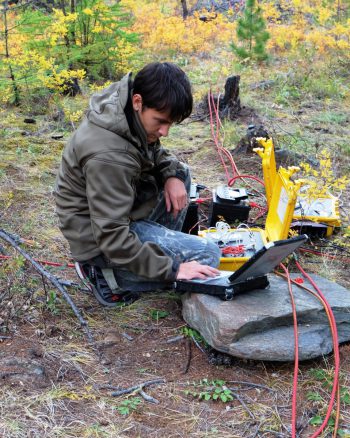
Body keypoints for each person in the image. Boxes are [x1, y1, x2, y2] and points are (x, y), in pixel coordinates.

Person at [54, 62, 221, 307]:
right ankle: (109, 276)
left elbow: (153, 154)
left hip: (115, 216)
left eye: (171, 124)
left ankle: (152, 250)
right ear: (138, 101)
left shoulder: (126, 114)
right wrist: (174, 268)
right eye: (161, 121)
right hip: (100, 242)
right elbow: (111, 237)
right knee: (207, 254)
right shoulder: (109, 156)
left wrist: (172, 175)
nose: (165, 132)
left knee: (180, 175)